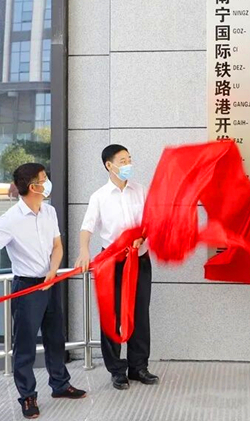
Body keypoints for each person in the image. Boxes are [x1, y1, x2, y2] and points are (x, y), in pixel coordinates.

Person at [0, 163, 86, 419]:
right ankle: (27, 396)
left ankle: (60, 384)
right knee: (25, 344)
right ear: (33, 187)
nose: (47, 183)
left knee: (55, 337)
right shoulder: (10, 219)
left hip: (50, 282)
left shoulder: (49, 212)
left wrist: (53, 270)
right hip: (27, 287)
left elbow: (57, 246)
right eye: (43, 179)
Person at [76, 144, 159, 391]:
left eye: (129, 159)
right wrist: (84, 251)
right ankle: (116, 370)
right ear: (109, 165)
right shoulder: (99, 196)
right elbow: (87, 227)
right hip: (112, 263)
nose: (128, 164)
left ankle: (138, 367)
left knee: (140, 313)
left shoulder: (140, 191)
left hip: (140, 259)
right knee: (112, 316)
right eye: (123, 161)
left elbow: (150, 221)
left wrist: (142, 237)